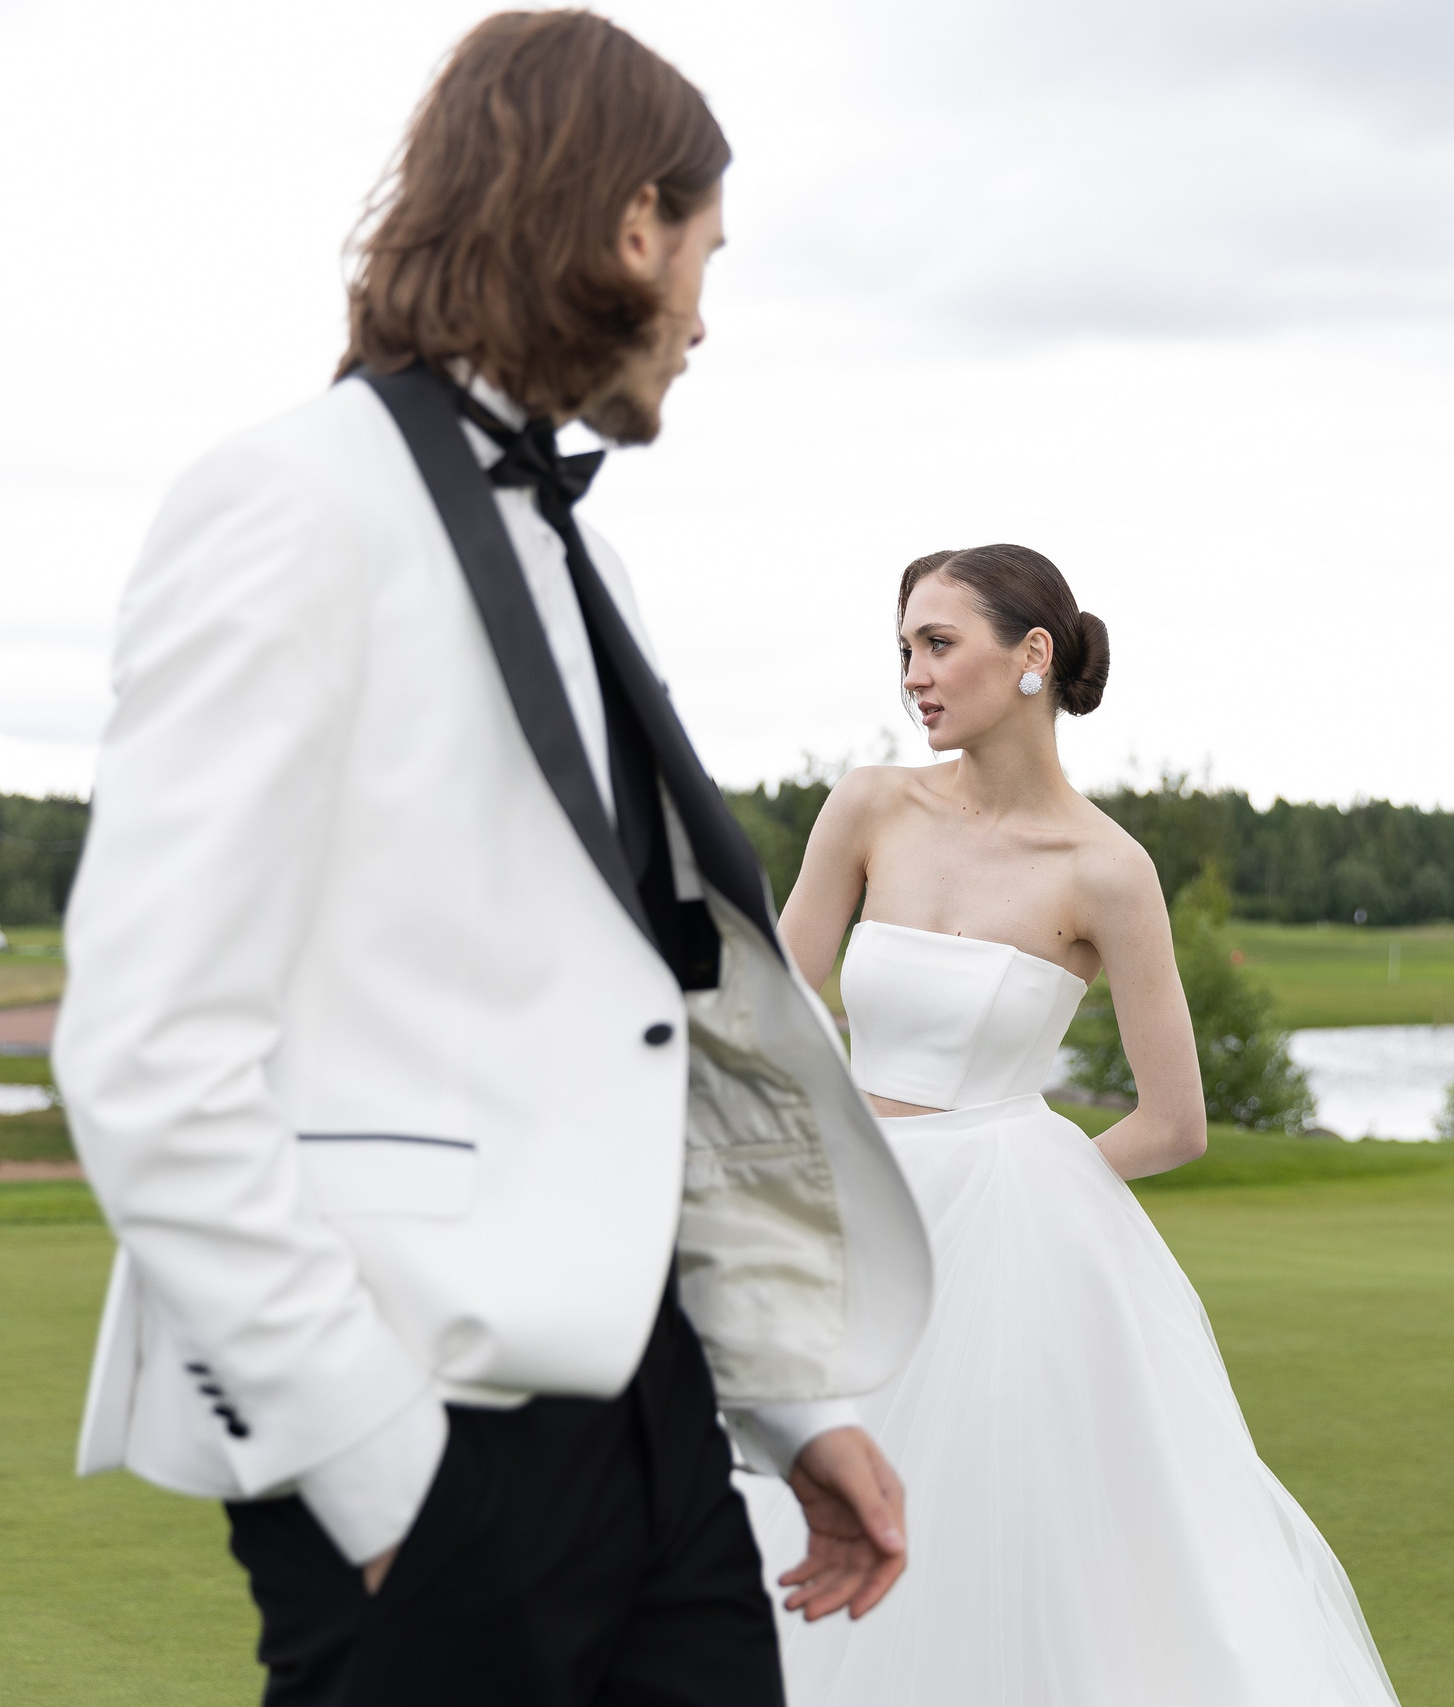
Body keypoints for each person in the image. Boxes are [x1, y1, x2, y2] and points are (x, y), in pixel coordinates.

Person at [52, 13, 931, 1705]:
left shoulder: (569, 554)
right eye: (703, 254)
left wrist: (778, 1402)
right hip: (424, 1435)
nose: (702, 315)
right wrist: (375, 1466)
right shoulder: (290, 502)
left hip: (660, 1435)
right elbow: (150, 1044)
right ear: (627, 225)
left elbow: (627, 1024)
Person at [739, 544, 1403, 1705]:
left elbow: (1174, 1120)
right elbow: (769, 1022)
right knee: (778, 1518)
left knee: (993, 1545)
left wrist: (1025, 1196)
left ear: (1031, 656)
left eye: (939, 644)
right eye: (903, 649)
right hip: (849, 1216)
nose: (914, 675)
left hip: (1007, 1248)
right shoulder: (867, 806)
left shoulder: (1107, 870)